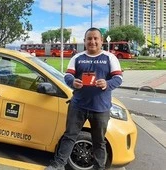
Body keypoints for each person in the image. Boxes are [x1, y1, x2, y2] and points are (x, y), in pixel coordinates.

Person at [45, 27, 123, 170]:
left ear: (102, 41)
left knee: (99, 141)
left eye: (95, 38)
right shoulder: (77, 58)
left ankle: (99, 167)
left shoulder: (110, 57)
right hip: (78, 106)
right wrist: (72, 82)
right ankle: (58, 165)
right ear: (84, 41)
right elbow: (68, 76)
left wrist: (107, 83)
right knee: (69, 136)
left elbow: (118, 78)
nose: (92, 41)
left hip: (100, 108)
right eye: (89, 39)